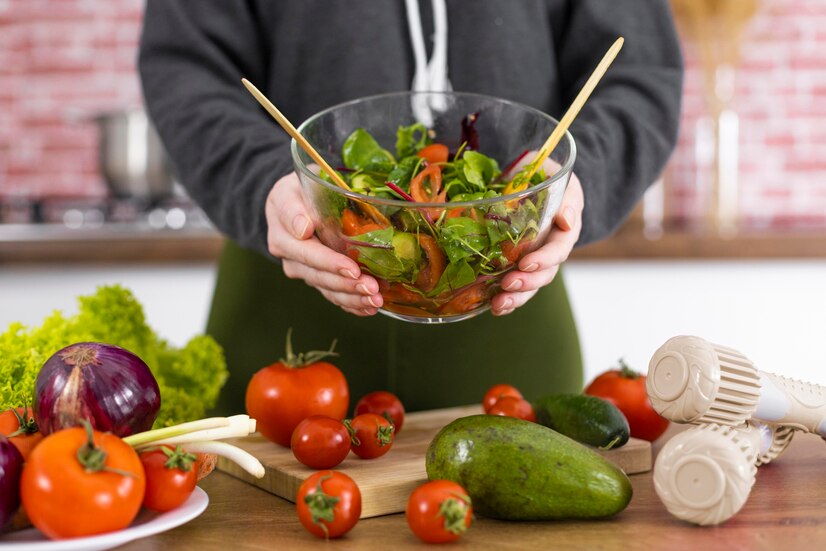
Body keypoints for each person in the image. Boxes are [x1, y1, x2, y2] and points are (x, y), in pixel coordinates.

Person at [139, 1, 683, 415]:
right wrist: (262, 180)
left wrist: (569, 182)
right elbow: (187, 68)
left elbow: (637, 71)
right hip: (284, 307)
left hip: (506, 285)